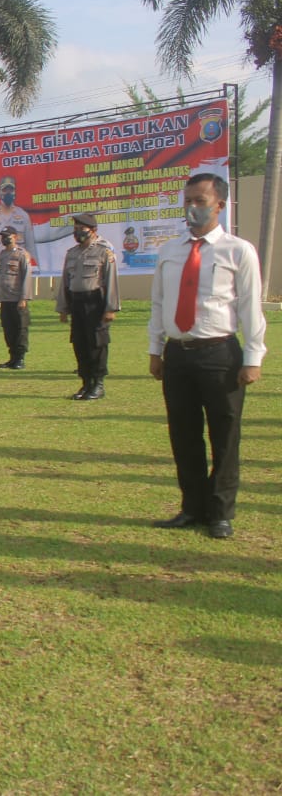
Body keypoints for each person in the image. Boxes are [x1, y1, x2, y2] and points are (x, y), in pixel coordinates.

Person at [150, 173, 267, 539]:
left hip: (220, 354)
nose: (192, 207)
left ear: (220, 205)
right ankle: (191, 507)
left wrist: (253, 357)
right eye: (188, 200)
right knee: (183, 434)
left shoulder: (238, 250)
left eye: (200, 200)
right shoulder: (170, 250)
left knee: (225, 434)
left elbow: (251, 307)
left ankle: (220, 513)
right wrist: (156, 349)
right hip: (179, 354)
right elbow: (158, 303)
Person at [56, 213, 119, 400]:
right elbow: (65, 282)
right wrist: (63, 307)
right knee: (79, 343)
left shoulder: (104, 252)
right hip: (76, 302)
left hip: (95, 302)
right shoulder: (72, 253)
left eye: (82, 228)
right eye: (75, 229)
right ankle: (86, 383)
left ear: (93, 230)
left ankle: (98, 384)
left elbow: (111, 280)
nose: (78, 232)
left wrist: (110, 308)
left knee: (96, 344)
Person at [0, 174, 73, 267]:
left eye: (11, 190)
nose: (8, 193)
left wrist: (34, 268)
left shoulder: (23, 216)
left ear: (15, 192)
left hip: (18, 268)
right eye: (5, 190)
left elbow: (30, 247)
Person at [0, 226, 33, 369]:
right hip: (5, 299)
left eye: (7, 236)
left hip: (17, 299)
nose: (4, 238)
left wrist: (24, 298)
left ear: (15, 237)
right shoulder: (2, 255)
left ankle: (20, 358)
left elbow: (26, 277)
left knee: (20, 329)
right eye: (2, 236)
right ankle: (12, 357)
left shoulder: (22, 255)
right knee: (8, 329)